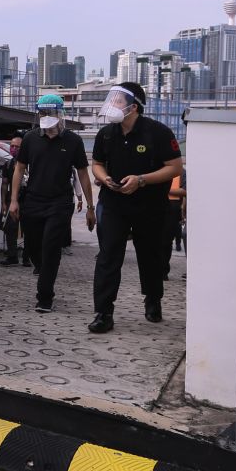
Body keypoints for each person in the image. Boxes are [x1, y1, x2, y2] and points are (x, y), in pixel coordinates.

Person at [88, 82, 183, 333]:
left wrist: (141, 180)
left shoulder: (158, 133)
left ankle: (153, 299)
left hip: (149, 206)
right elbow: (96, 162)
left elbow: (174, 167)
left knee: (150, 256)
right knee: (108, 257)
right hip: (114, 204)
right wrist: (104, 176)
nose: (113, 104)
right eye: (113, 99)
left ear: (134, 106)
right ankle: (103, 312)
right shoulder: (107, 134)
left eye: (118, 100)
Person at [8, 95, 95, 313]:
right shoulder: (30, 139)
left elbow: (83, 174)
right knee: (32, 246)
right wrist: (13, 200)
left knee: (51, 248)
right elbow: (19, 169)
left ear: (60, 114)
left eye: (51, 113)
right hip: (33, 200)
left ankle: (44, 296)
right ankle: (42, 267)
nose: (47, 117)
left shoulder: (73, 141)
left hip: (60, 202)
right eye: (43, 113)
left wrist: (90, 205)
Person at [0, 134, 31, 267]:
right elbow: (4, 184)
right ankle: (12, 256)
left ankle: (27, 257)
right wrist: (3, 203)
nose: (13, 149)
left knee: (29, 230)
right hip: (12, 201)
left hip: (27, 201)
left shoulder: (30, 163)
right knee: (10, 229)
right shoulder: (8, 164)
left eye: (17, 147)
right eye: (12, 146)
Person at [161, 172, 186, 280]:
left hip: (172, 208)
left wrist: (165, 191)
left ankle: (162, 271)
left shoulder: (181, 172)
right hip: (154, 205)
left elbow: (185, 190)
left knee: (166, 241)